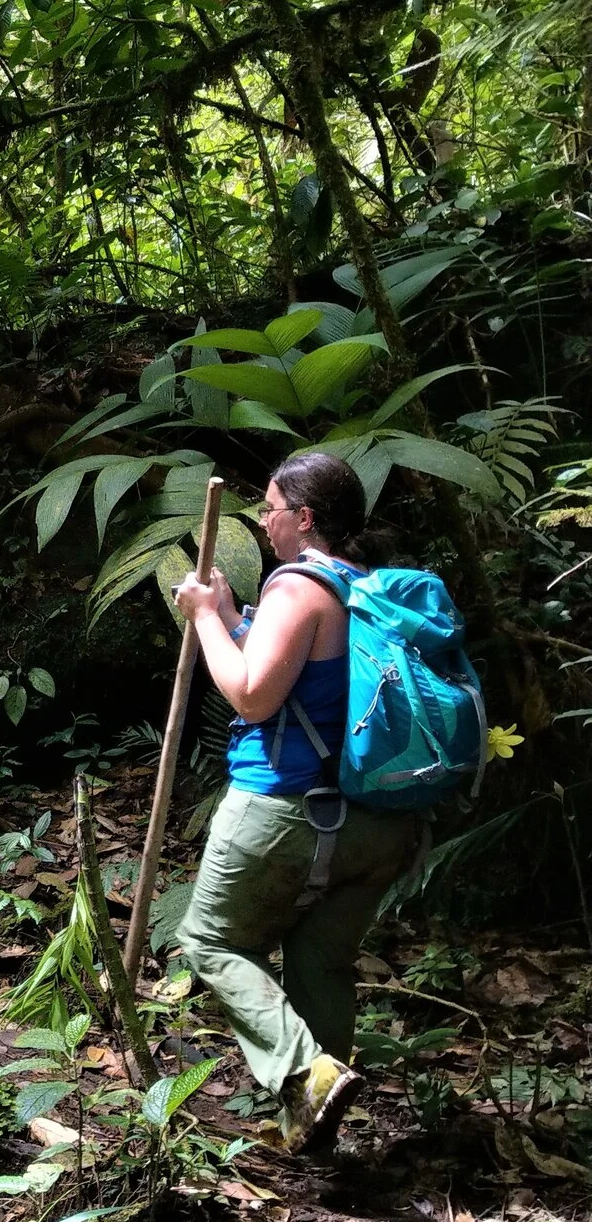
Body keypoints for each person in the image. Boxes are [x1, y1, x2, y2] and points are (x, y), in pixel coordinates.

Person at [171, 449, 422, 1153]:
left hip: (284, 810)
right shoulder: (364, 588)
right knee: (318, 960)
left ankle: (304, 1075)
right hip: (375, 823)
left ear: (304, 517)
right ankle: (312, 1126)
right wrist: (226, 609)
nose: (264, 519)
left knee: (210, 940)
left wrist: (202, 619)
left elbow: (252, 691)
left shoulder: (296, 589)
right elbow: (307, 676)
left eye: (272, 508)